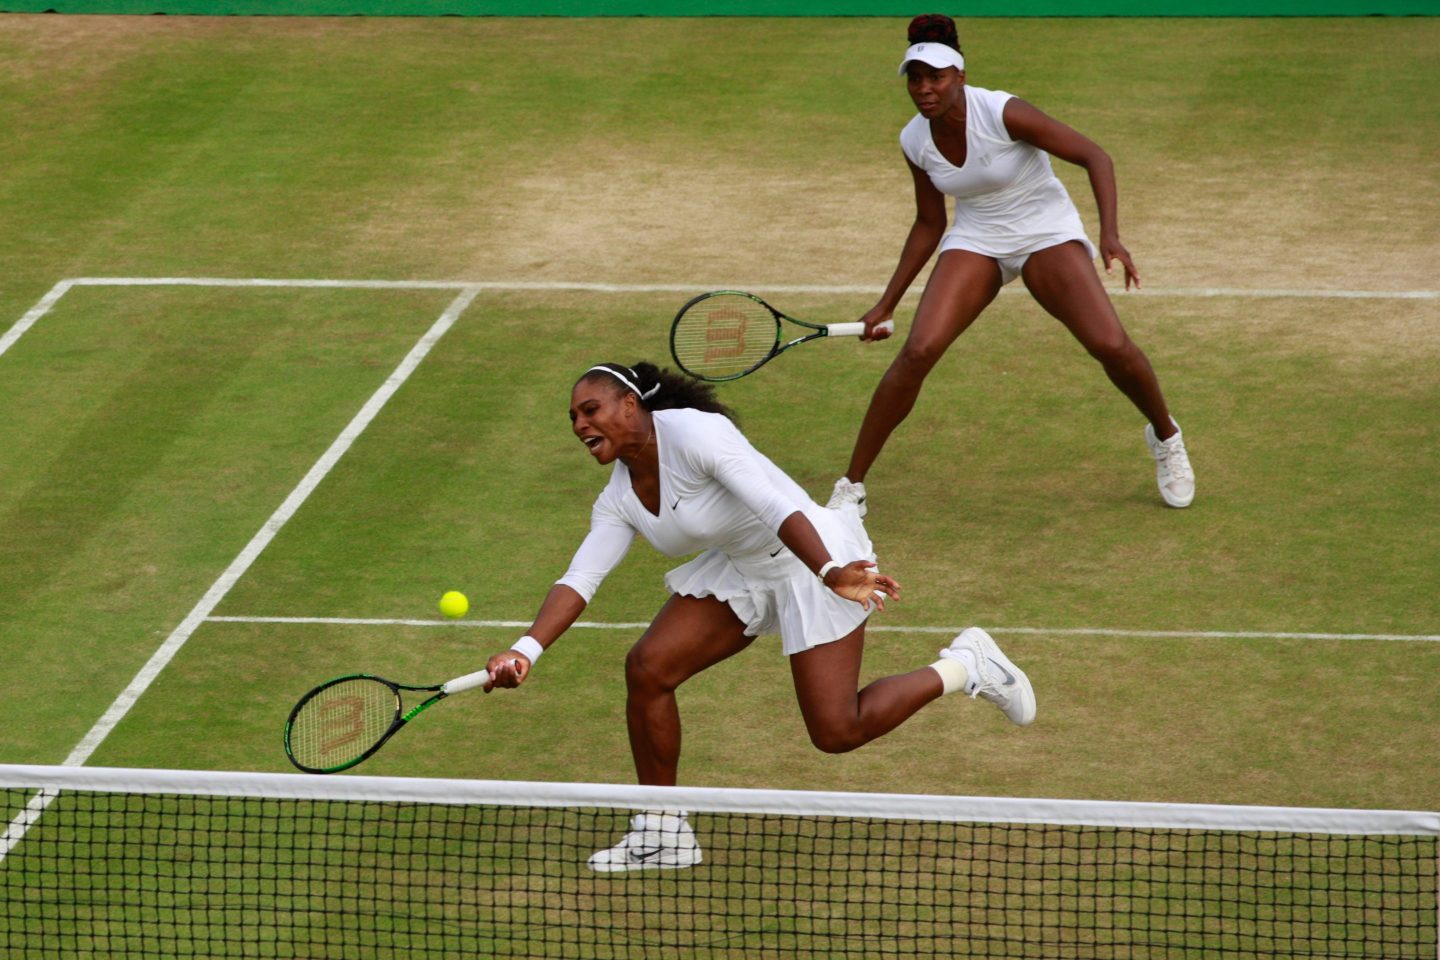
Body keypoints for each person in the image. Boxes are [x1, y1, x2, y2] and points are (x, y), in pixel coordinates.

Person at [482, 361, 1036, 872]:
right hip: (743, 566)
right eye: (573, 417)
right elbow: (582, 577)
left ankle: (968, 665)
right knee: (648, 669)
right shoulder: (620, 495)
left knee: (837, 731)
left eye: (589, 410)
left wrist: (829, 572)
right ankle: (663, 827)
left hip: (811, 556)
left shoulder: (696, 434)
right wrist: (525, 650)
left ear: (629, 405)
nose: (579, 425)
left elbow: (775, 505)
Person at [827, 14, 1195, 516]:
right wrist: (885, 304)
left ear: (960, 75)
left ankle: (1167, 436)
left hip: (1045, 230)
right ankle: (852, 485)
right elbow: (929, 223)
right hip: (978, 237)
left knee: (1109, 344)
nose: (924, 89)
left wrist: (1110, 235)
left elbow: (1095, 156)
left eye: (935, 77)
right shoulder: (914, 139)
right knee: (918, 351)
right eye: (915, 78)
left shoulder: (1002, 112)